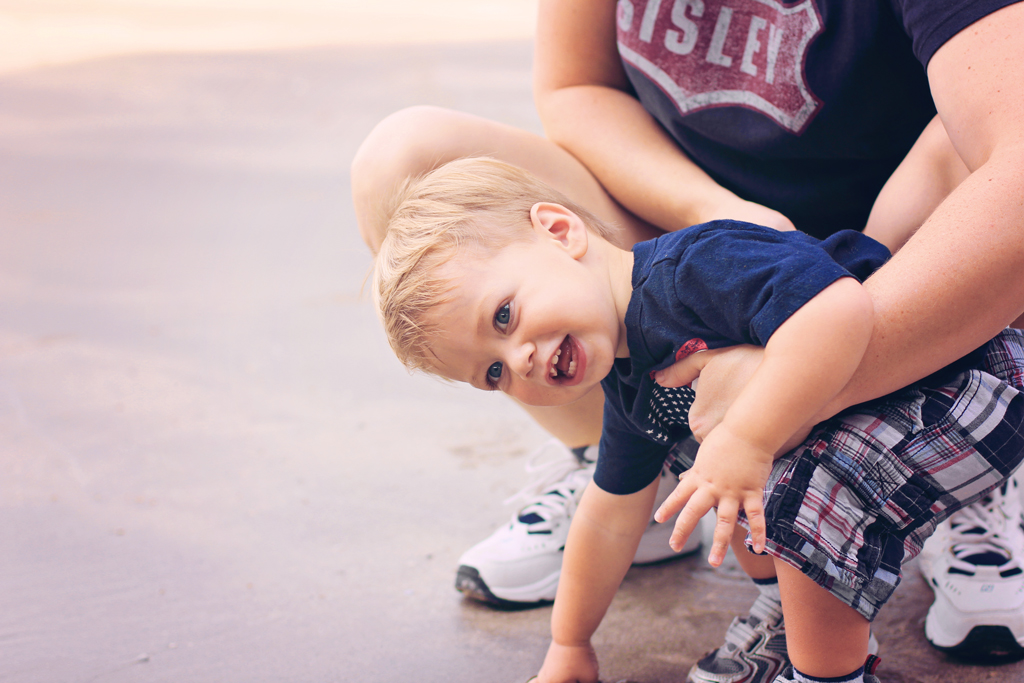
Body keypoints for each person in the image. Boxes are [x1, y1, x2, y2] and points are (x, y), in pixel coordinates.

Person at [351, 0, 1024, 672]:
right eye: (493, 373)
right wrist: (570, 642)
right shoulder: (632, 362)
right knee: (724, 471)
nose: (518, 360)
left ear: (560, 230)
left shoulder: (688, 277)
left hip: (925, 330)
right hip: (719, 222)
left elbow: (839, 311)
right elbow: (607, 517)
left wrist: (753, 425)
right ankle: (745, 568)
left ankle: (834, 654)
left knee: (795, 485)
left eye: (503, 318)